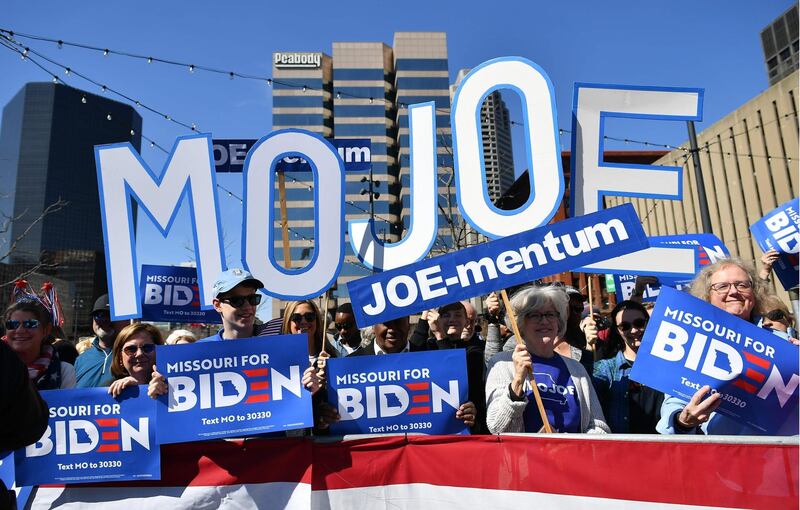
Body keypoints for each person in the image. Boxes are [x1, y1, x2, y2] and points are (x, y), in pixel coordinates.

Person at [657, 257, 798, 435]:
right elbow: (674, 401)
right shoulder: (692, 342)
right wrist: (682, 421)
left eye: (742, 285)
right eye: (722, 286)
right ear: (707, 296)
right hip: (725, 454)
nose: (733, 292)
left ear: (754, 294)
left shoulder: (784, 344)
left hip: (783, 455)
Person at [485, 285, 609, 434]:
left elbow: (598, 426)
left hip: (572, 455)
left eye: (550, 314)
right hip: (524, 456)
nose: (544, 321)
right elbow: (497, 427)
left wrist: (572, 446)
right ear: (520, 324)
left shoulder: (577, 369)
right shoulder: (502, 364)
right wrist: (518, 381)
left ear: (559, 322)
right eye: (535, 315)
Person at [322, 316, 476, 431]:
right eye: (386, 323)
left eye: (398, 321)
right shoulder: (349, 366)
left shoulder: (435, 361)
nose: (392, 328)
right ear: (374, 325)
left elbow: (471, 417)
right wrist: (326, 416)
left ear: (408, 322)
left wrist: (469, 414)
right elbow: (329, 428)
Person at [592, 300, 663, 433]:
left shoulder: (666, 365)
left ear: (649, 323)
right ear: (618, 331)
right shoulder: (606, 369)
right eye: (625, 326)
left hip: (668, 446)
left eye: (639, 323)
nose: (634, 330)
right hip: (627, 449)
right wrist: (587, 348)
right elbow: (586, 395)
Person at [4, 300, 76, 390]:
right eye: (12, 324)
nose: (20, 330)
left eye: (30, 324)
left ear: (46, 330)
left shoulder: (64, 371)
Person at [74, 294, 131, 387]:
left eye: (111, 315)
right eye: (99, 315)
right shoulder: (81, 359)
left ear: (127, 321)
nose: (104, 320)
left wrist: (138, 382)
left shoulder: (135, 354)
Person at [198, 268, 268, 341]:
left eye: (253, 298)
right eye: (237, 300)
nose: (247, 306)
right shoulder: (203, 349)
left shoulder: (273, 341)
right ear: (217, 305)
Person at [108, 323, 164, 397]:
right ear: (120, 357)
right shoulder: (106, 390)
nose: (139, 354)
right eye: (131, 349)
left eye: (147, 348)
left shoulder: (174, 385)